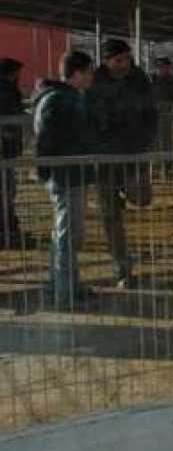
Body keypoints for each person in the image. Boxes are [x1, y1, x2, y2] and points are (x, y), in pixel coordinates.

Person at [87, 39, 158, 288]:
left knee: (142, 197)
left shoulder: (139, 80)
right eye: (119, 60)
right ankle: (122, 267)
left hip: (134, 153)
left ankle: (126, 193)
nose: (124, 64)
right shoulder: (93, 82)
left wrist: (148, 138)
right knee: (110, 215)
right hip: (105, 159)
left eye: (127, 59)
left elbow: (152, 112)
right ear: (106, 61)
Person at [33, 51, 96, 307]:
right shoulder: (58, 100)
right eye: (89, 71)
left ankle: (63, 286)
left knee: (67, 234)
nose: (92, 76)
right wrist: (46, 170)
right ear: (77, 73)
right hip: (66, 175)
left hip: (70, 173)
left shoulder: (65, 97)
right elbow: (46, 140)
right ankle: (65, 293)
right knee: (67, 236)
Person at [0, 57, 30, 247]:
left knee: (6, 192)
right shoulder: (6, 90)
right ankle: (8, 232)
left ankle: (9, 230)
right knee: (6, 192)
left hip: (6, 148)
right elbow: (10, 113)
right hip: (5, 148)